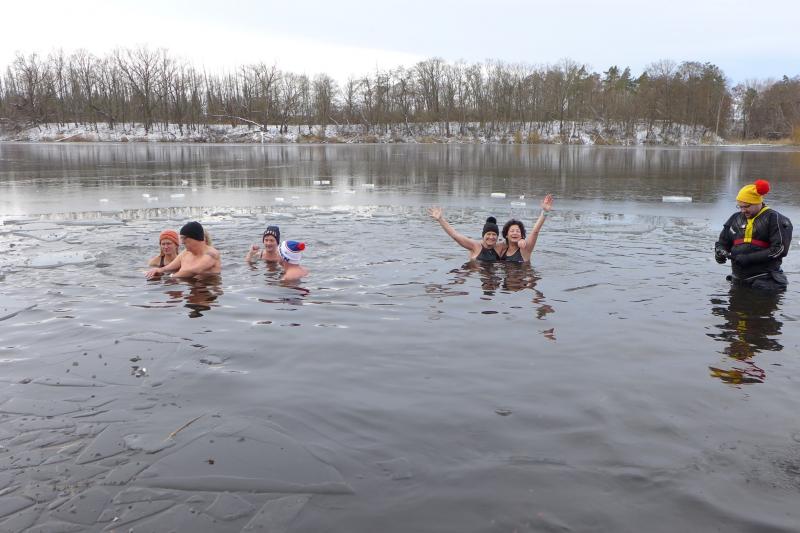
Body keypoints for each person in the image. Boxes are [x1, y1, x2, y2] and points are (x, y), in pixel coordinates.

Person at [714, 180, 792, 291]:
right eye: (740, 207)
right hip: (738, 279)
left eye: (746, 206)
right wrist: (719, 252)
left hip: (766, 280)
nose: (742, 210)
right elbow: (722, 242)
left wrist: (749, 258)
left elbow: (780, 250)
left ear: (757, 202)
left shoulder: (776, 219)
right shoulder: (735, 218)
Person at [145, 221, 221, 279]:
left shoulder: (211, 254)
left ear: (193, 238)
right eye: (181, 238)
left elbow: (194, 270)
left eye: (184, 238)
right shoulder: (185, 252)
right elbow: (170, 267)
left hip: (207, 288)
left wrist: (169, 277)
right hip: (189, 288)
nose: (182, 242)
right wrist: (159, 270)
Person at [428, 207, 502, 261]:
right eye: (488, 234)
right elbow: (455, 235)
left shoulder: (500, 247)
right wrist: (440, 219)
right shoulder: (475, 246)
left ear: (497, 236)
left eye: (494, 234)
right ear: (483, 235)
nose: (491, 237)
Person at [499, 194, 554, 263]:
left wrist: (545, 212)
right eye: (512, 231)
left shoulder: (525, 249)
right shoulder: (502, 250)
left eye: (518, 231)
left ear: (521, 235)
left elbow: (535, 232)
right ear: (506, 235)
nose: (515, 233)